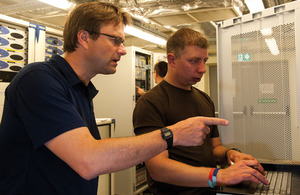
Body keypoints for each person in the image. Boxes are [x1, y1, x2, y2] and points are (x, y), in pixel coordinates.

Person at [0, 3, 230, 195]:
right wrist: (173, 134)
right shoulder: (37, 79)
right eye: (116, 40)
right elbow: (89, 160)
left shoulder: (81, 89)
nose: (123, 50)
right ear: (84, 37)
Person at [133, 27, 269, 195]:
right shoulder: (151, 102)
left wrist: (230, 155)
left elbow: (214, 148)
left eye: (204, 60)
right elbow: (158, 168)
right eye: (194, 61)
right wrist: (218, 175)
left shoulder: (204, 99)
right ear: (172, 60)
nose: (203, 68)